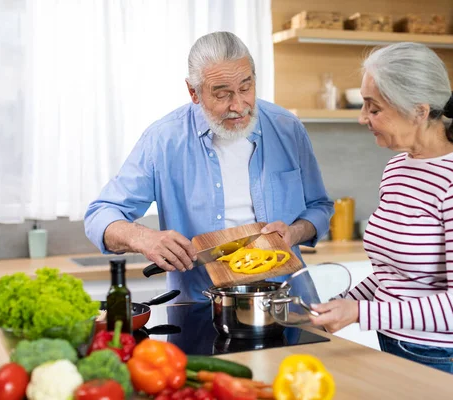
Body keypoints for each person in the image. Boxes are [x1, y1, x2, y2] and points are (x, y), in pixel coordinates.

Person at [310, 42, 453, 388]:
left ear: (419, 111)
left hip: (450, 359)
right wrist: (341, 304)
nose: (363, 118)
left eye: (374, 109)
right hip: (396, 346)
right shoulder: (397, 168)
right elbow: (394, 276)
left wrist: (360, 313)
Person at [84, 31, 333, 302]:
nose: (238, 106)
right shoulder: (163, 140)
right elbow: (100, 215)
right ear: (194, 92)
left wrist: (294, 232)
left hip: (287, 300)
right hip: (200, 305)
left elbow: (319, 207)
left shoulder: (286, 127)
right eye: (222, 94)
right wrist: (143, 238)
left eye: (245, 88)